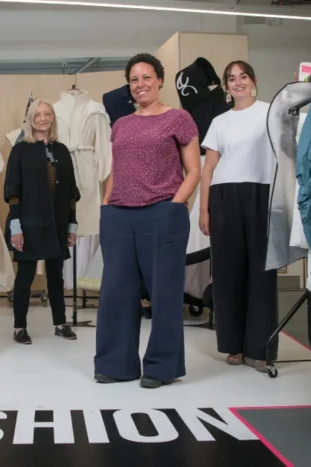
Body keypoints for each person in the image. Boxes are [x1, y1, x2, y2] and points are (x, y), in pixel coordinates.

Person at [94, 53, 201, 389]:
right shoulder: (121, 124)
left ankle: (160, 367)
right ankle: (115, 365)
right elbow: (117, 169)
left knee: (165, 294)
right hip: (119, 216)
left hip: (162, 213)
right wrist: (106, 204)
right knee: (116, 293)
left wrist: (175, 205)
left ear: (159, 80)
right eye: (134, 79)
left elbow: (194, 170)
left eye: (146, 77)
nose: (140, 84)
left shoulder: (179, 118)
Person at [199, 60, 278, 372]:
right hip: (224, 197)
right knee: (228, 274)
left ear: (253, 79)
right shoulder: (220, 122)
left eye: (243, 76)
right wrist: (204, 209)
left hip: (261, 195)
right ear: (226, 86)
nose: (238, 82)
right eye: (231, 79)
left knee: (262, 272)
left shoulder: (271, 112)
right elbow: (208, 169)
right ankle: (233, 345)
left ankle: (260, 347)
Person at [4, 99, 80, 345]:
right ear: (30, 118)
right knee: (25, 276)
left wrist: (72, 226)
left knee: (56, 275)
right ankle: (19, 327)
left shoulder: (62, 150)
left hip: (57, 222)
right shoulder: (20, 150)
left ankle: (60, 322)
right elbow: (13, 192)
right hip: (29, 222)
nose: (43, 118)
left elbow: (70, 193)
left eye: (47, 114)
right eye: (38, 114)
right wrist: (16, 228)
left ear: (53, 118)